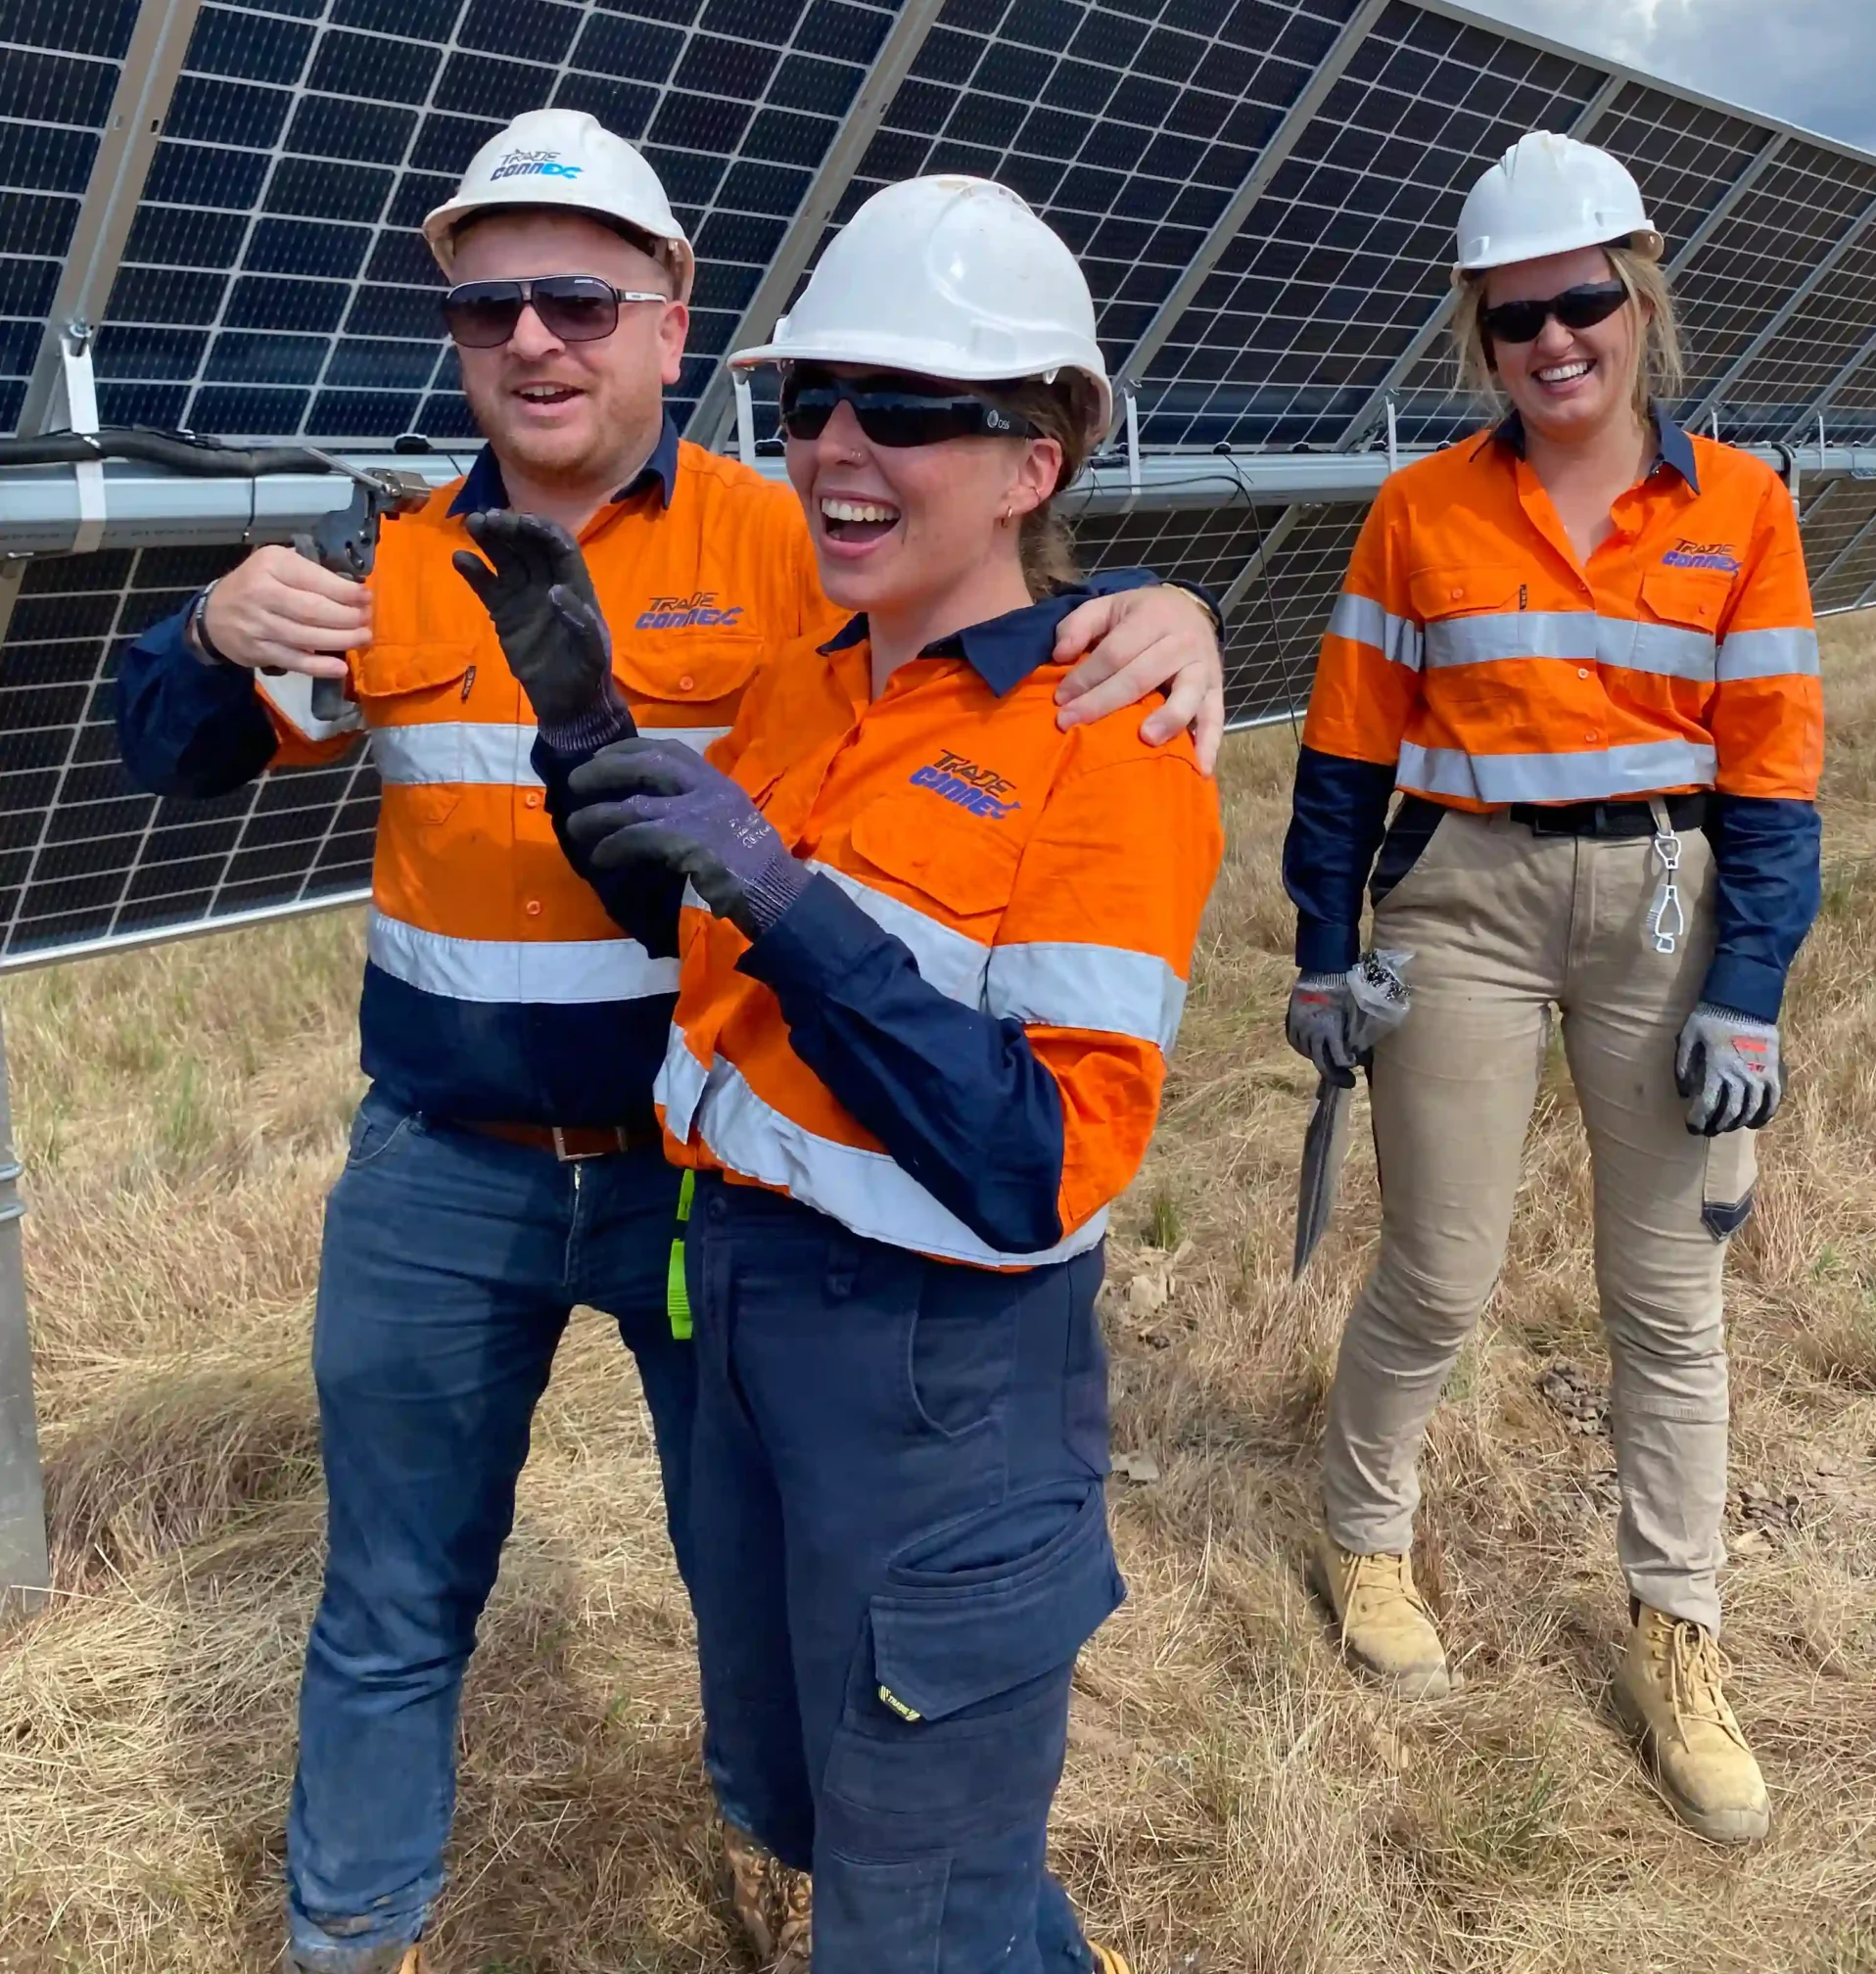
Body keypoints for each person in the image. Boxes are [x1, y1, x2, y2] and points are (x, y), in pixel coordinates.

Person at [113, 115, 1228, 1974]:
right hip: (448, 1170)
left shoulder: (794, 549)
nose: (531, 342)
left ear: (666, 322)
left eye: (574, 298)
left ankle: (852, 1876)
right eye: (487, 310)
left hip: (698, 1186)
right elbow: (172, 753)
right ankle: (352, 1931)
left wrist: (1158, 601)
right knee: (395, 1593)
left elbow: (986, 633)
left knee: (775, 1601)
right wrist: (209, 631)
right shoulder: (405, 562)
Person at [472, 173, 1223, 1974]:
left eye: (904, 408)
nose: (835, 449)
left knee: (908, 1911)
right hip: (736, 1299)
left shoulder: (1115, 739)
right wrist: (585, 736)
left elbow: (1037, 1163)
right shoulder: (814, 684)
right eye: (811, 403)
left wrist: (791, 906)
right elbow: (696, 943)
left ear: (1035, 461)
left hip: (940, 1379)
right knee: (818, 1804)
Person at [1283, 130, 1822, 1844]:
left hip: (1668, 903)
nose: (1558, 343)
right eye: (1519, 322)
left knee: (1668, 1302)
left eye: (1585, 303)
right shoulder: (1417, 510)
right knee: (1438, 1275)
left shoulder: (1743, 507)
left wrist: (1751, 986)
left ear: (1641, 299)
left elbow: (1777, 775)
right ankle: (1365, 1541)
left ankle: (1680, 1633)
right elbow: (1345, 758)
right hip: (1466, 904)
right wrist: (1318, 950)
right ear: (1482, 339)